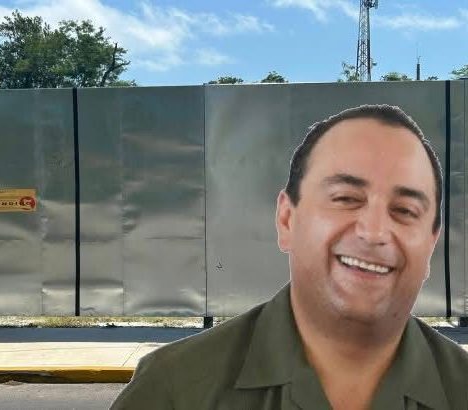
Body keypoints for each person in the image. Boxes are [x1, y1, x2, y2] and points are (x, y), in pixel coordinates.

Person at [111, 104, 468, 409]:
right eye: (346, 198)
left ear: (431, 243)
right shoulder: (174, 391)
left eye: (405, 210)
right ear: (286, 219)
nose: (373, 232)